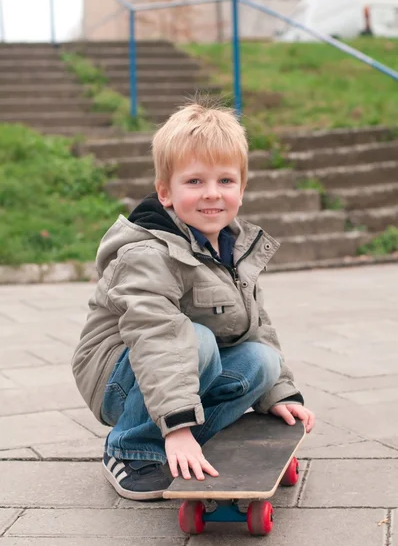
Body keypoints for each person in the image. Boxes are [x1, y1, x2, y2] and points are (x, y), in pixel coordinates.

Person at [72, 101, 315, 501]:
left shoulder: (233, 247)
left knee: (261, 360)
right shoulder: (147, 253)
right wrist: (178, 425)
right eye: (195, 182)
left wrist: (278, 393)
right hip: (120, 377)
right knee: (196, 338)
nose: (212, 195)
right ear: (165, 192)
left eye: (225, 181)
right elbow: (158, 336)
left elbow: (258, 326)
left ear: (242, 188)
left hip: (182, 370)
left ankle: (183, 436)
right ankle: (131, 447)